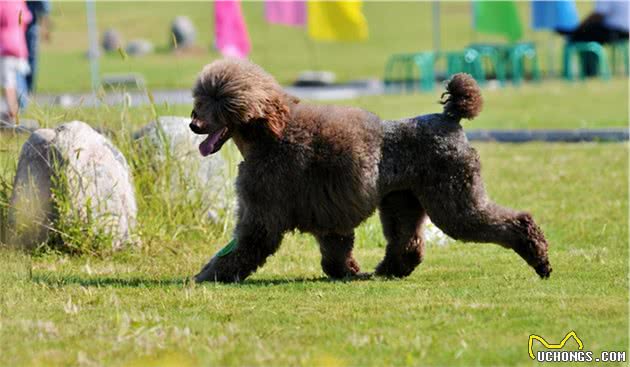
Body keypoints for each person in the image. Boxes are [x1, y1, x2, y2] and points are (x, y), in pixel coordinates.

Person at [560, 0, 629, 76]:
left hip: (613, 30)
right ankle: (590, 71)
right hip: (625, 32)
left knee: (581, 35)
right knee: (585, 33)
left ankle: (589, 72)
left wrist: (578, 28)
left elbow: (598, 15)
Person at [0, 1, 32, 123]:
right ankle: (19, 108)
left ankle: (13, 114)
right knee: (17, 79)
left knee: (8, 82)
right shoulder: (19, 2)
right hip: (19, 44)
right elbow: (27, 18)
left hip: (5, 45)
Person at [25, 0, 51, 94]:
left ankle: (28, 89)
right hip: (15, 25)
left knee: (31, 58)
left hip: (31, 26)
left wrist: (46, 28)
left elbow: (45, 7)